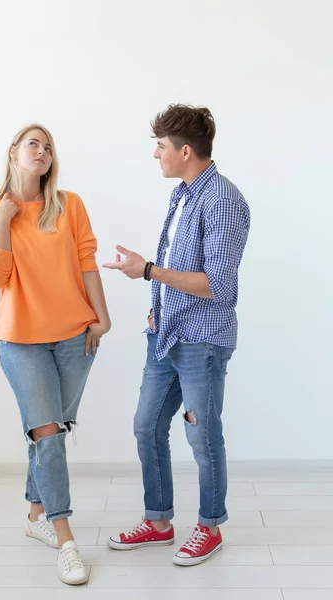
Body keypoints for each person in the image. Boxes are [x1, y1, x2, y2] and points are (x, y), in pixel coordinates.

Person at [103, 104, 250, 566]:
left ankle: (209, 528)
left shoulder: (223, 200)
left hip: (202, 341)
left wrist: (146, 271)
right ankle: (159, 521)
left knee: (202, 438)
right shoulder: (184, 194)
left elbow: (218, 286)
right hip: (166, 334)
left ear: (185, 151)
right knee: (146, 425)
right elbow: (180, 269)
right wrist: (155, 305)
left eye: (161, 147)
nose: (156, 155)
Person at [0, 124, 111, 585]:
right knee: (49, 436)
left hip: (75, 336)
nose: (43, 152)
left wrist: (101, 317)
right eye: (34, 143)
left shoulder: (69, 205)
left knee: (50, 430)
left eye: (49, 147)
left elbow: (87, 259)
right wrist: (7, 223)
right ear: (13, 151)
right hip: (20, 341)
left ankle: (35, 516)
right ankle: (66, 540)